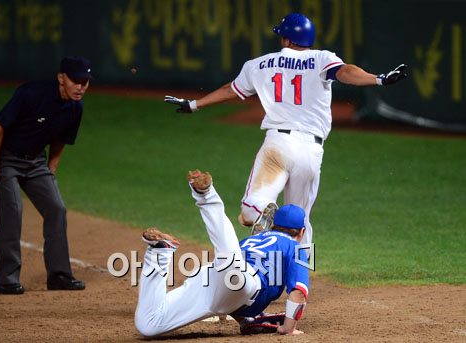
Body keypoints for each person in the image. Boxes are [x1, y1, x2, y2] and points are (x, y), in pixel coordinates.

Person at [164, 13, 408, 249]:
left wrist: (193, 104)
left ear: (287, 40)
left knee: (250, 209)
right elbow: (346, 72)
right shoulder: (322, 58)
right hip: (311, 152)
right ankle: (300, 280)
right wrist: (379, 79)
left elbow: (231, 89)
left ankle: (263, 214)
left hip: (277, 146)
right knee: (300, 221)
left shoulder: (259, 64)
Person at [135, 169, 309, 336]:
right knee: (232, 262)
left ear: (273, 225)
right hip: (242, 279)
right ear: (301, 232)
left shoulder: (252, 240)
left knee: (149, 324)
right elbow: (298, 292)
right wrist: (288, 328)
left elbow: (232, 291)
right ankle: (206, 195)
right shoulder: (296, 248)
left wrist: (245, 319)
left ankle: (159, 252)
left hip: (214, 279)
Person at [0, 56, 92, 294]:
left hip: (36, 162)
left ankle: (59, 276)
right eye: (76, 81)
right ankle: (7, 279)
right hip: (6, 159)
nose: (81, 87)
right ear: (61, 78)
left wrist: (51, 168)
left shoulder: (75, 107)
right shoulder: (31, 93)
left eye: (85, 82)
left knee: (56, 209)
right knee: (13, 210)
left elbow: (62, 138)